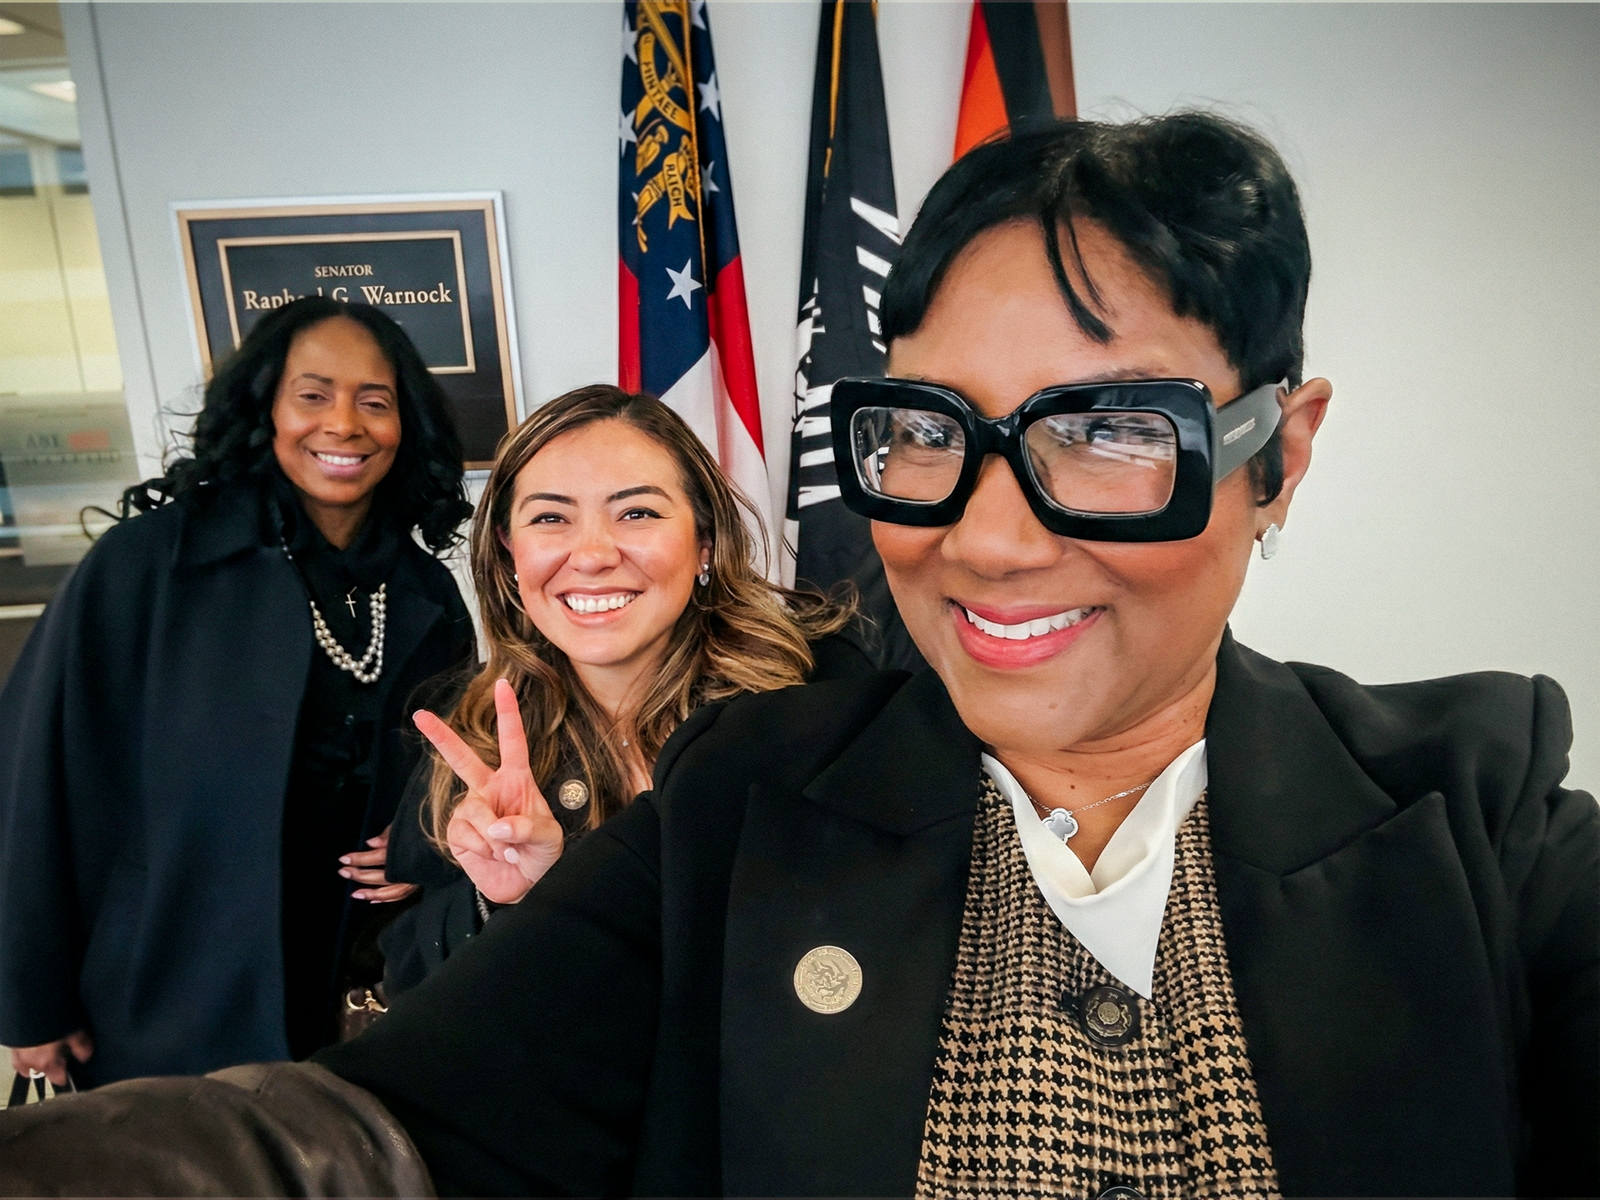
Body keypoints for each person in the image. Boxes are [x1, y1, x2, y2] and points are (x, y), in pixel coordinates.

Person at [1, 114, 1594, 1199]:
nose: (988, 535)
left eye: (1111, 431)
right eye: (929, 436)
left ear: (1281, 454)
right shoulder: (747, 806)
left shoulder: (1480, 817)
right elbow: (367, 1135)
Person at [0, 297, 475, 1087]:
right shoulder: (150, 566)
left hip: (361, 991)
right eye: (313, 394)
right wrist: (29, 1003)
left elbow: (456, 767)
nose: (345, 424)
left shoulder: (424, 589)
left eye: (375, 400)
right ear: (266, 409)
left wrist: (425, 847)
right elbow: (35, 779)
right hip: (173, 988)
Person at [377, 385, 869, 995]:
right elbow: (411, 986)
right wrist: (509, 902)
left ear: (705, 544)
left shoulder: (820, 690)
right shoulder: (473, 734)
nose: (592, 555)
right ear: (508, 553)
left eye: (637, 512)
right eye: (550, 517)